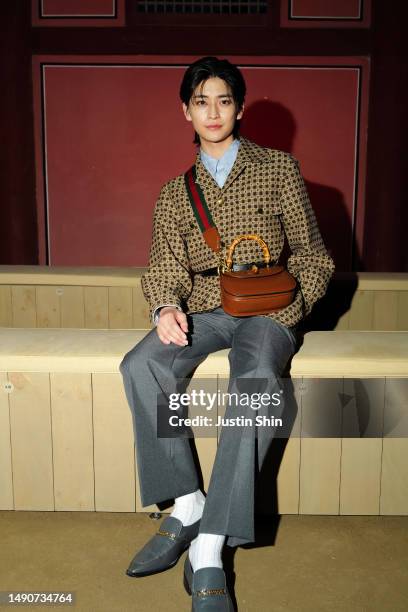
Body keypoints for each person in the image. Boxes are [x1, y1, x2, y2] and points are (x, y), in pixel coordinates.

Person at [119, 56, 335, 611]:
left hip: (268, 309)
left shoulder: (278, 168)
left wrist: (291, 311)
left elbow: (315, 257)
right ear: (185, 112)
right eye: (200, 101)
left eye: (222, 100)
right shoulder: (175, 192)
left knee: (257, 381)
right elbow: (163, 264)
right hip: (203, 311)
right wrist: (166, 306)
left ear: (238, 107)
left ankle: (210, 544)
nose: (212, 111)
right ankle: (188, 502)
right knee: (141, 364)